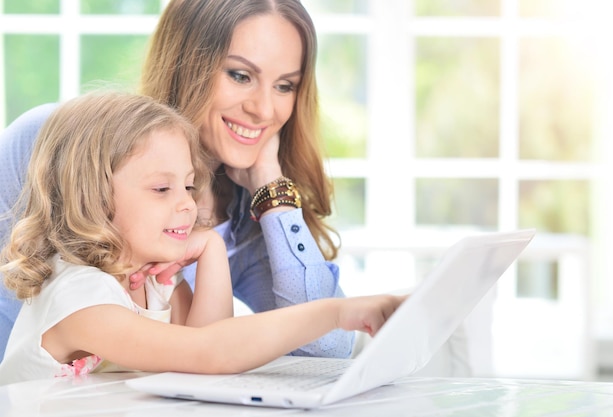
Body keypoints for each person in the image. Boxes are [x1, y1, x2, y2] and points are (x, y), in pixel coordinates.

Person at [0, 0, 353, 361]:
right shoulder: (54, 144)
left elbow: (328, 349)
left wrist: (271, 187)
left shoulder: (249, 221)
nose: (264, 110)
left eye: (284, 86)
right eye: (240, 75)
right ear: (187, 66)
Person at [0, 91, 405, 385]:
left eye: (190, 187)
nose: (187, 206)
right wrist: (335, 313)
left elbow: (200, 363)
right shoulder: (79, 297)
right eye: (162, 189)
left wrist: (211, 248)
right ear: (95, 196)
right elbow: (210, 353)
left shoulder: (154, 282)